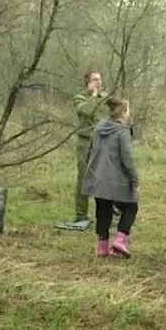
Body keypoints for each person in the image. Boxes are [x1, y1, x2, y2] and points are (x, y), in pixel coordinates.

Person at [82, 96, 139, 257]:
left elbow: (90, 151)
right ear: (124, 112)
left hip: (97, 178)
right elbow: (127, 159)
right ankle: (120, 241)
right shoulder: (122, 131)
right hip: (116, 180)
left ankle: (102, 247)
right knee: (132, 206)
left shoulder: (98, 127)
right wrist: (134, 180)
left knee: (102, 210)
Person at [55, 70, 108, 231]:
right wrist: (93, 96)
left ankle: (108, 214)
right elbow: (85, 111)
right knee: (84, 178)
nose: (98, 82)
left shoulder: (106, 98)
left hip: (103, 142)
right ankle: (81, 214)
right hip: (85, 142)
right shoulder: (80, 98)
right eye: (94, 80)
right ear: (87, 82)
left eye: (100, 79)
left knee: (105, 177)